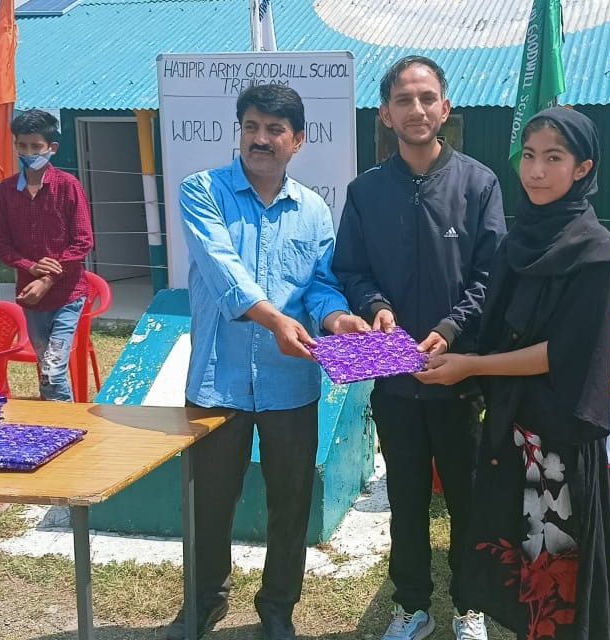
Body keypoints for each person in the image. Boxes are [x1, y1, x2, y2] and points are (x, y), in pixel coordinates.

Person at [166, 84, 369, 640]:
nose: (261, 139)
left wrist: (336, 322)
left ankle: (278, 607)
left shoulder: (314, 210)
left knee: (291, 504)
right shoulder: (200, 191)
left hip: (291, 383)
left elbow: (323, 287)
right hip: (217, 381)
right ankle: (204, 600)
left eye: (275, 130)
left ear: (297, 140)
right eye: (252, 126)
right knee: (209, 502)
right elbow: (223, 271)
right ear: (240, 130)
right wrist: (277, 320)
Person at [416, 107, 610, 640]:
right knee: (516, 560)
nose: (535, 171)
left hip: (557, 432)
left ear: (583, 168)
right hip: (511, 425)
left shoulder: (595, 250)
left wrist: (472, 367)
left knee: (554, 564)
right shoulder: (516, 241)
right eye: (529, 157)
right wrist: (446, 341)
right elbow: (494, 324)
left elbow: (561, 354)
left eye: (553, 158)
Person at [333, 55, 506, 640]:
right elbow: (351, 270)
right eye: (404, 100)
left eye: (427, 98)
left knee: (465, 499)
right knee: (404, 497)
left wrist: (454, 326)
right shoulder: (364, 193)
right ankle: (412, 605)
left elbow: (492, 275)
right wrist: (375, 306)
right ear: (385, 113)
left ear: (445, 108)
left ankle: (468, 604)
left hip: (459, 375)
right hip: (393, 376)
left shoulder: (479, 184)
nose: (417, 110)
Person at [0, 109, 94, 402]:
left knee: (53, 369)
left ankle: (65, 427)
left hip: (68, 295)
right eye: (21, 146)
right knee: (44, 366)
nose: (28, 152)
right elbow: (2, 246)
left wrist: (49, 276)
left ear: (52, 148)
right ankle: (53, 427)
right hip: (30, 297)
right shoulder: (6, 192)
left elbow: (83, 240)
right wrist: (31, 266)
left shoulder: (67, 186)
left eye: (35, 147)